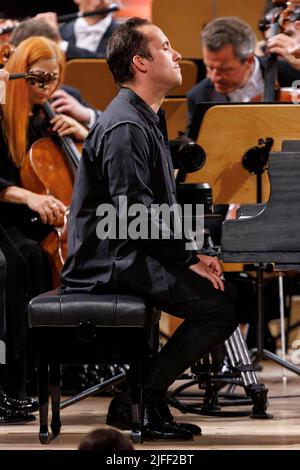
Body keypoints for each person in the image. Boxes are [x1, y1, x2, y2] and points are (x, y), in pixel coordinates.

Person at [61, 17, 238, 441]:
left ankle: (142, 394)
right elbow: (134, 214)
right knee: (222, 308)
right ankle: (140, 395)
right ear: (140, 62)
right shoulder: (126, 125)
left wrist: (195, 249)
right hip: (110, 258)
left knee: (226, 299)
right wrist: (186, 256)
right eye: (165, 46)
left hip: (129, 248)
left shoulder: (144, 116)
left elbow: (159, 207)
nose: (177, 55)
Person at [0, 37, 86, 420]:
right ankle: (13, 379)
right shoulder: (3, 114)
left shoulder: (47, 118)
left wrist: (84, 136)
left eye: (53, 79)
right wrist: (30, 197)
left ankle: (41, 373)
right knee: (22, 261)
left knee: (36, 256)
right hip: (7, 216)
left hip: (37, 222)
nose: (46, 89)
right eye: (38, 80)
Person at [186, 16, 300, 129]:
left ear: (249, 61)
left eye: (225, 69)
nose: (214, 77)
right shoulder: (198, 96)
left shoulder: (292, 72)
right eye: (209, 67)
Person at [10, 17, 102, 128]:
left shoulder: (65, 97)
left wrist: (87, 116)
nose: (47, 87)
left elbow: (114, 130)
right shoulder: (4, 100)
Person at [36, 0, 119, 60]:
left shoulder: (124, 35)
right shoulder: (61, 32)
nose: (103, 1)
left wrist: (61, 44)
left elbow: (108, 63)